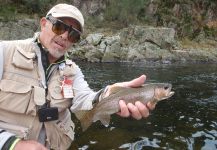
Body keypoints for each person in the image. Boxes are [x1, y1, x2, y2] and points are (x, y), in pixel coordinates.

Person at [0, 3, 155, 150]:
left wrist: (110, 94)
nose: (66, 36)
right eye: (59, 26)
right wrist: (11, 144)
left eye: (74, 35)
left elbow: (85, 99)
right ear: (43, 23)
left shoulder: (72, 71)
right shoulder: (4, 52)